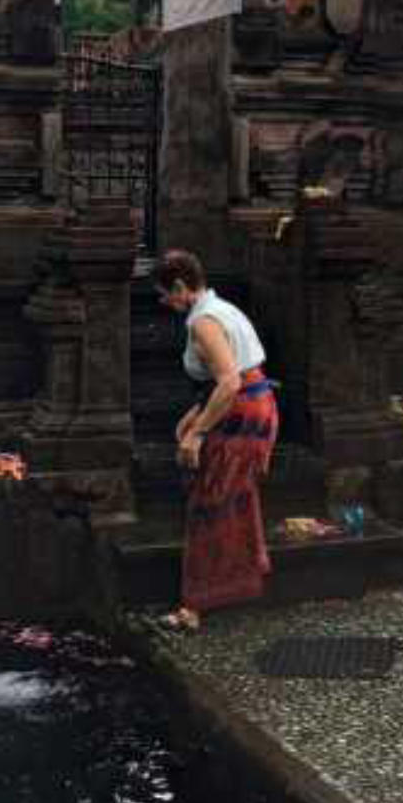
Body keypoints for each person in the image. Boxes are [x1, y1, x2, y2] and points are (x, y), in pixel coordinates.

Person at [157, 248, 278, 632]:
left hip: (240, 410)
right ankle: (235, 581)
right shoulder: (223, 308)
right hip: (256, 402)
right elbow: (235, 375)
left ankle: (195, 604)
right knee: (230, 495)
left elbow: (229, 381)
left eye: (166, 294)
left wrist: (198, 432)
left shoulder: (204, 321)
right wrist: (195, 415)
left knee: (208, 500)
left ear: (180, 286)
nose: (164, 303)